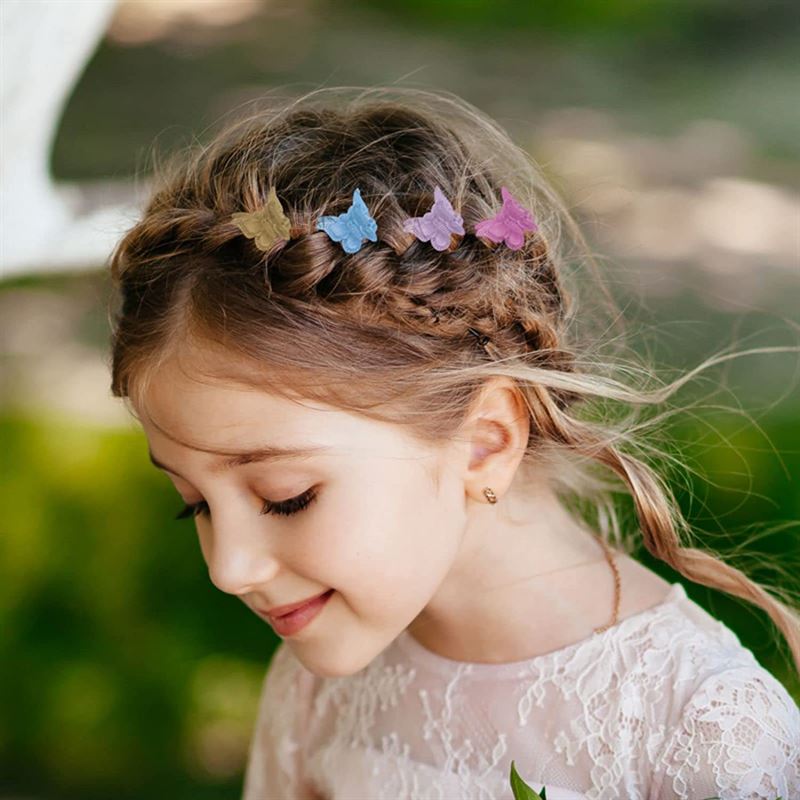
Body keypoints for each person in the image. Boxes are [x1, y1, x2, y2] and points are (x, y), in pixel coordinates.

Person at [107, 87, 800, 800]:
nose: (229, 568)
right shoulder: (318, 688)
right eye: (195, 503)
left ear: (484, 443)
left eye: (287, 498)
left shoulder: (705, 738)